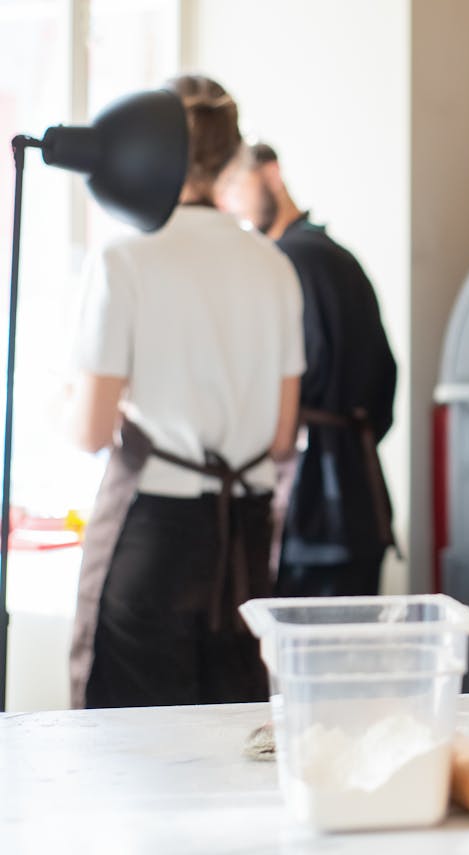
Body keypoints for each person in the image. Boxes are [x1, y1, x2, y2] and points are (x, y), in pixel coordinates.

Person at [67, 76, 305, 708]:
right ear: (231, 159)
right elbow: (283, 441)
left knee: (134, 751)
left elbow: (89, 433)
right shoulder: (275, 264)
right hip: (245, 544)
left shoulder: (127, 258)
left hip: (155, 529)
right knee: (232, 743)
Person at [216, 142, 397, 597]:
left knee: (296, 657)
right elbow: (385, 386)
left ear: (271, 173)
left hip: (308, 504)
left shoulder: (284, 263)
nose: (233, 202)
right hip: (359, 495)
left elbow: (275, 387)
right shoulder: (338, 256)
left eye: (238, 183)